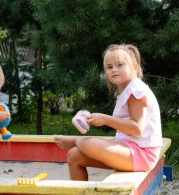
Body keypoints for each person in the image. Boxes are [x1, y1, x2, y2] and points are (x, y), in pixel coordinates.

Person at [55, 44, 163, 181]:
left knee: (87, 144)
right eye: (109, 67)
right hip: (129, 149)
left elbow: (137, 128)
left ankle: (77, 140)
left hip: (143, 154)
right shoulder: (126, 90)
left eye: (120, 65)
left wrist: (105, 120)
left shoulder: (136, 91)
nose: (114, 70)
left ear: (135, 67)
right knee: (74, 156)